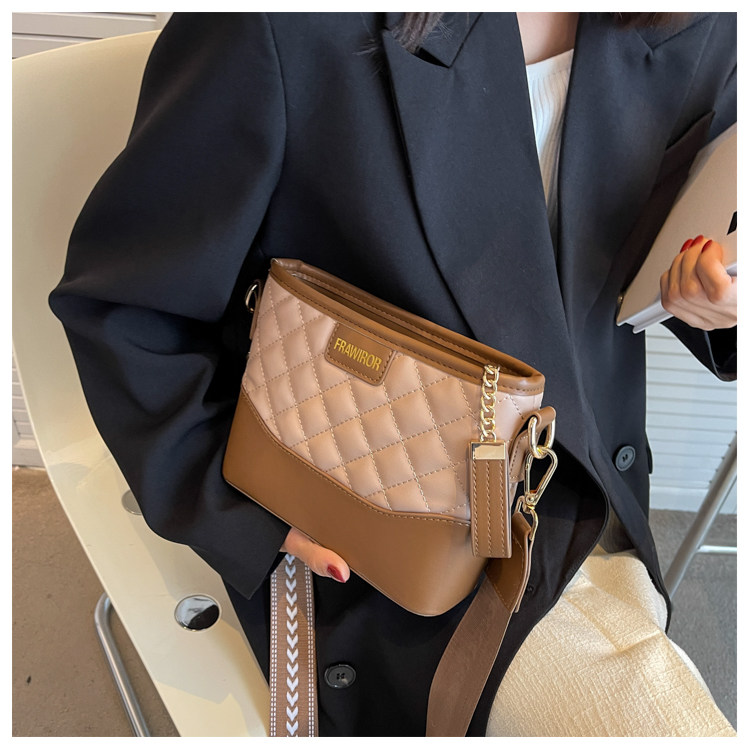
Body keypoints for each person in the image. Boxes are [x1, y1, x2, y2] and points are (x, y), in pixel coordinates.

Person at [49, 12, 737, 736]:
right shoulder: (287, 25)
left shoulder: (694, 20)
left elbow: (651, 250)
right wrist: (238, 510)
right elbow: (126, 304)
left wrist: (714, 296)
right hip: (389, 527)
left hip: (595, 494)